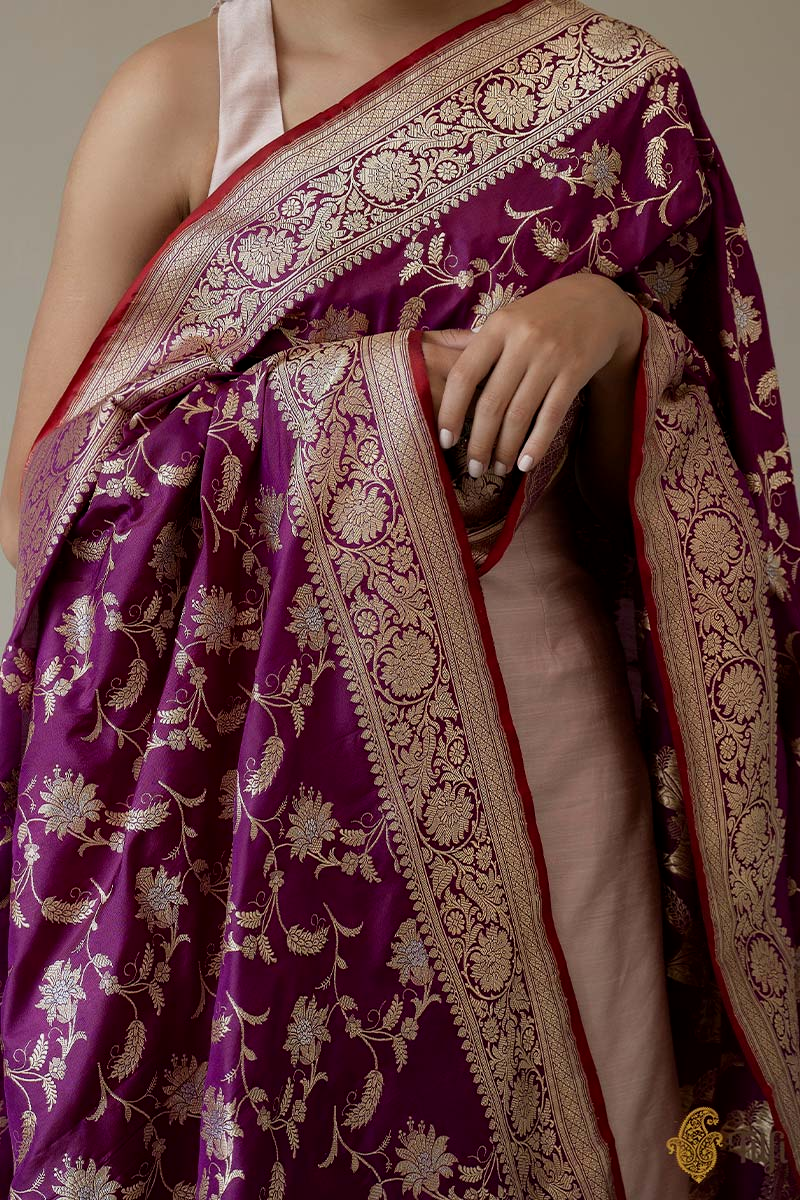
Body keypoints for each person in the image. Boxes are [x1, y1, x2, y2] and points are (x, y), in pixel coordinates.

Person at [0, 1, 798, 1196]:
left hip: (554, 734)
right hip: (261, 757)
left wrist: (616, 337)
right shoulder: (174, 97)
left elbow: (718, 488)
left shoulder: (610, 89)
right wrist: (374, 397)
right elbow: (50, 500)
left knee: (599, 1115)